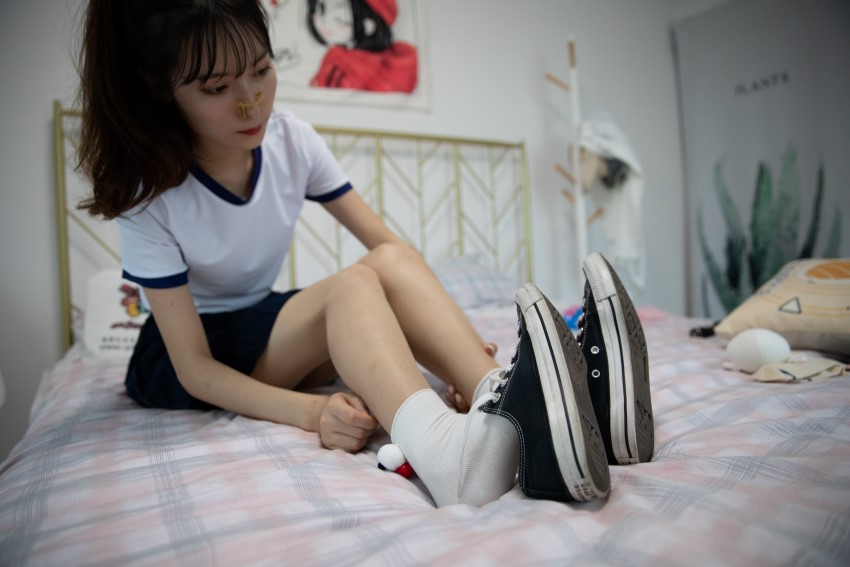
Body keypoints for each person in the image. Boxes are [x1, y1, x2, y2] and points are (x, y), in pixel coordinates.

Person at [76, 0, 652, 508]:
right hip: (191, 358)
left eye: (261, 70)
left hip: (264, 324)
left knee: (387, 263)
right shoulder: (150, 193)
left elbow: (388, 247)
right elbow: (195, 370)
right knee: (351, 287)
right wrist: (312, 413)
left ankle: (509, 395)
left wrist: (459, 349)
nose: (250, 102)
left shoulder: (291, 141)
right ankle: (449, 459)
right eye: (216, 89)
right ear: (160, 88)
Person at [306, 0, 418, 93]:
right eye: (320, 9)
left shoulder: (391, 70)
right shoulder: (335, 56)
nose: (324, 23)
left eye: (340, 18)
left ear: (369, 25)